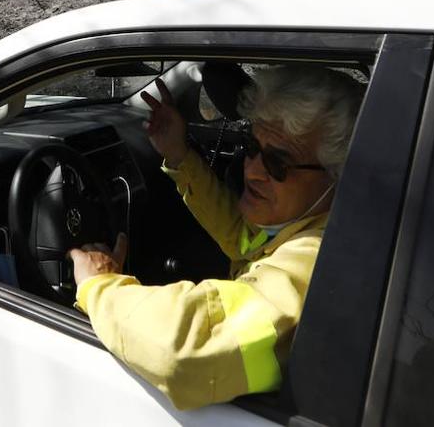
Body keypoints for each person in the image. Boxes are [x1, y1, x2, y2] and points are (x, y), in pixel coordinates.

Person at [68, 64, 364, 410]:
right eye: (252, 146)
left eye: (278, 163)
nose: (251, 169)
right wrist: (180, 157)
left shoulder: (317, 259)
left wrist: (99, 287)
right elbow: (243, 238)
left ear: (336, 175)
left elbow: (186, 353)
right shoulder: (307, 226)